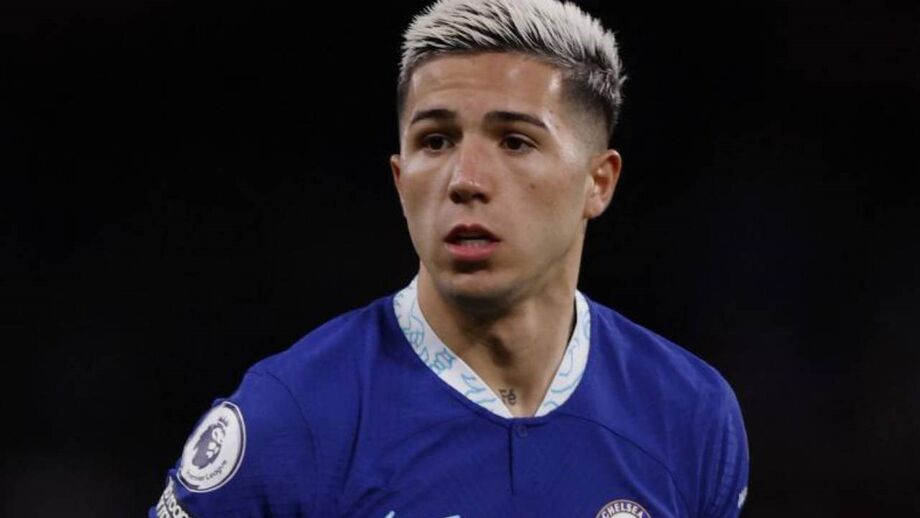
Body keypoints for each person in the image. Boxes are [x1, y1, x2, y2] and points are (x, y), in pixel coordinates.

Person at [151, 0, 750, 516]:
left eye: (515, 141)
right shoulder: (291, 417)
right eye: (435, 141)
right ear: (400, 179)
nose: (465, 180)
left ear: (599, 182)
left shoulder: (690, 413)